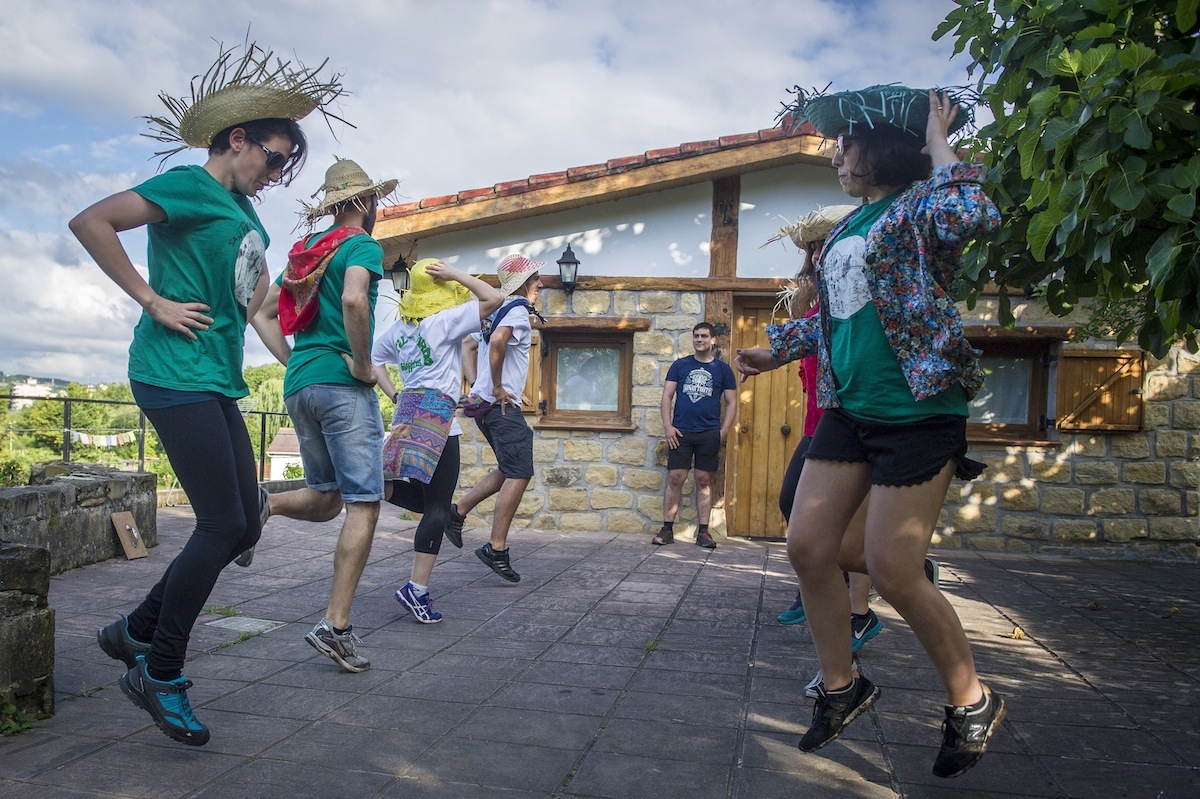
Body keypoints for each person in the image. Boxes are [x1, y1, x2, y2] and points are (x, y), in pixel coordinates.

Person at [74, 41, 343, 745]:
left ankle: (135, 629)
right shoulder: (189, 189)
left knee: (246, 522)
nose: (278, 173)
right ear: (238, 139)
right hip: (171, 371)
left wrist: (297, 348)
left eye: (287, 164)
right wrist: (152, 299)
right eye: (276, 158)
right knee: (222, 525)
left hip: (216, 378)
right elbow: (91, 221)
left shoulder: (247, 216)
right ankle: (158, 670)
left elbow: (255, 306)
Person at [736, 85, 1004, 778]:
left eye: (847, 143)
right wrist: (780, 346)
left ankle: (971, 699)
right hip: (851, 408)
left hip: (918, 411)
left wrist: (938, 139)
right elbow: (842, 315)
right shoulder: (853, 226)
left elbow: (975, 210)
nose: (837, 153)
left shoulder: (919, 210)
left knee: (892, 566)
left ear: (884, 148)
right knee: (807, 543)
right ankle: (842, 685)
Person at [250, 158, 397, 673]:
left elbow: (260, 312)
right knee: (364, 503)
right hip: (340, 386)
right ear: (363, 203)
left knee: (329, 498)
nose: (377, 209)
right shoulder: (361, 245)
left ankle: (258, 508)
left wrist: (297, 364)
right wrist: (361, 364)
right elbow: (356, 298)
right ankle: (335, 627)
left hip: (301, 387)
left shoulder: (306, 256)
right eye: (374, 200)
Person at [372, 259, 503, 622]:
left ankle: (383, 490)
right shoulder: (443, 322)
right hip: (440, 419)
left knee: (432, 503)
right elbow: (494, 297)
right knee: (438, 509)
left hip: (407, 412)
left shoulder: (399, 329)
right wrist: (457, 275)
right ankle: (416, 589)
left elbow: (373, 360)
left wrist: (394, 394)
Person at [446, 255, 544, 582]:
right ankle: (495, 548)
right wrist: (498, 386)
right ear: (523, 284)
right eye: (536, 279)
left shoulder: (495, 312)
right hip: (501, 407)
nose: (540, 284)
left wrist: (478, 385)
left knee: (509, 468)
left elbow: (467, 345)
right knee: (520, 472)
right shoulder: (516, 310)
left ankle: (457, 512)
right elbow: (499, 343)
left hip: (486, 406)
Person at [652, 322, 738, 549]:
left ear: (713, 340)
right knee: (675, 478)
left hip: (709, 433)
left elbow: (731, 403)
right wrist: (668, 426)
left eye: (704, 336)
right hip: (680, 432)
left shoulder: (723, 370)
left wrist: (723, 431)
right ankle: (667, 529)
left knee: (703, 481)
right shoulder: (680, 366)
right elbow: (667, 396)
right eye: (696, 336)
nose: (700, 340)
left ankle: (703, 532)